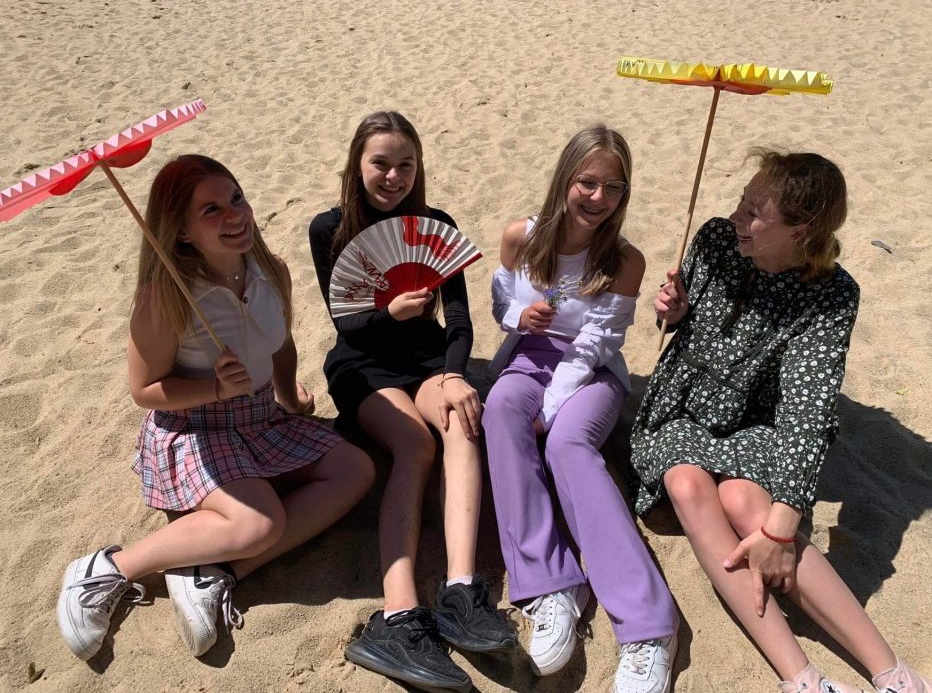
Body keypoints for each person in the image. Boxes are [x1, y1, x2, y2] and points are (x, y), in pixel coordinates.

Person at [630, 150, 931, 693]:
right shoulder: (716, 239)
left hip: (758, 420)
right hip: (682, 408)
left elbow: (806, 410)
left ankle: (892, 673)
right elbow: (678, 320)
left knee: (747, 505)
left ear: (801, 230)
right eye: (742, 201)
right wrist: (672, 311)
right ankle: (802, 677)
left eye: (753, 212)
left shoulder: (832, 295)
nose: (735, 217)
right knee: (686, 483)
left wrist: (781, 527)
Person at [56, 155, 375, 661]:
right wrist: (215, 390)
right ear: (181, 232)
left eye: (236, 198)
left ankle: (216, 570)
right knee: (259, 524)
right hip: (195, 428)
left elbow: (280, 344)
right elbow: (144, 390)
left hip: (259, 416)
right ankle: (107, 569)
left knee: (356, 470)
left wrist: (289, 395)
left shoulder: (271, 271)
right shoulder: (165, 298)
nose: (234, 215)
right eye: (211, 210)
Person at [308, 110, 514, 693]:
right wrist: (389, 312)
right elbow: (345, 322)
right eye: (380, 163)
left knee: (460, 423)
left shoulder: (435, 225)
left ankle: (460, 590)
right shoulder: (330, 229)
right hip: (362, 364)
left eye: (406, 165)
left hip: (426, 361)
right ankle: (397, 617)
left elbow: (460, 321)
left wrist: (454, 375)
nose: (393, 176)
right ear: (357, 165)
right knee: (414, 444)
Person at [483, 125, 680, 693]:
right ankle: (552, 584)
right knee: (500, 409)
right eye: (587, 183)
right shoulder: (521, 236)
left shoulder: (624, 260)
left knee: (568, 443)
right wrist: (518, 319)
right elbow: (502, 300)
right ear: (565, 178)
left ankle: (648, 624)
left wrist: (550, 408)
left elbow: (595, 345)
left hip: (590, 372)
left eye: (613, 188)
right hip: (528, 357)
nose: (599, 198)